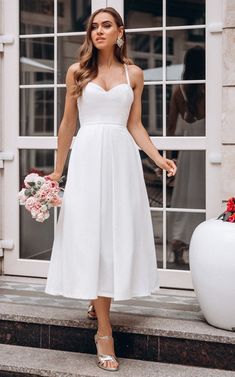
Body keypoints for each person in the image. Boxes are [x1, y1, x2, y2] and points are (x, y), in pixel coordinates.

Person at [45, 7, 177, 372]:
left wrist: (158, 159)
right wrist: (58, 171)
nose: (98, 31)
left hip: (121, 162)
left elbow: (135, 125)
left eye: (106, 26)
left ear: (120, 31)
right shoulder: (78, 72)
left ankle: (99, 303)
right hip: (87, 160)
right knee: (91, 233)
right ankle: (104, 332)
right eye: (93, 27)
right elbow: (67, 126)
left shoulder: (134, 73)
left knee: (114, 235)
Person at [167, 46, 205, 265]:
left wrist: (170, 157)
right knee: (202, 194)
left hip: (188, 152)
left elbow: (171, 127)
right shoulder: (207, 89)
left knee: (184, 197)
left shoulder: (179, 91)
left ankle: (179, 244)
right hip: (205, 150)